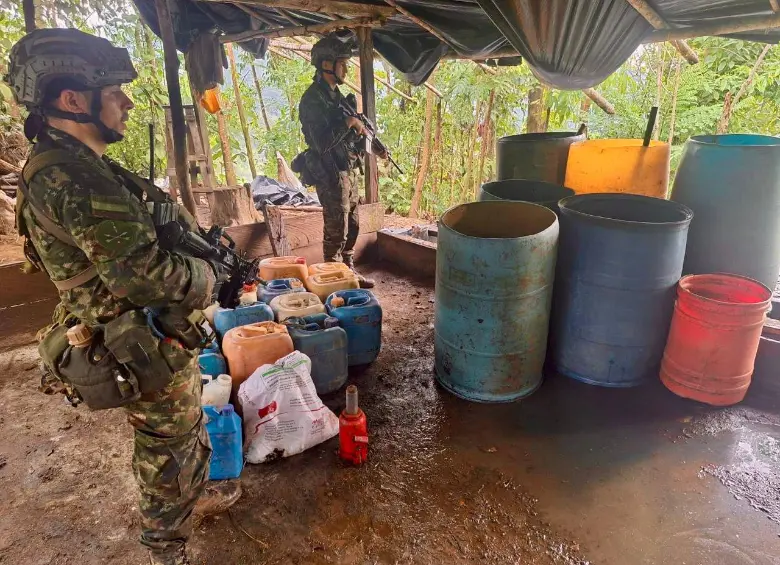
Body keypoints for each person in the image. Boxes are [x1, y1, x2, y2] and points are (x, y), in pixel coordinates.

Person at [5, 29, 222, 565]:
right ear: (72, 99)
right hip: (140, 335)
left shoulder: (69, 164)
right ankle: (166, 549)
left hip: (133, 324)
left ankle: (178, 514)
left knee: (178, 440)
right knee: (168, 448)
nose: (127, 102)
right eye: (115, 90)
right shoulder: (75, 178)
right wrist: (208, 277)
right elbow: (141, 277)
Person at [299, 33, 388, 288]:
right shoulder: (312, 100)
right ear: (327, 64)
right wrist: (347, 123)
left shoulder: (339, 97)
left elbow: (352, 136)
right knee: (336, 228)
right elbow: (321, 143)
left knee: (353, 223)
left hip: (348, 168)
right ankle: (332, 278)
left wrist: (371, 143)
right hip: (329, 171)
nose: (346, 69)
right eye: (342, 63)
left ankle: (348, 272)